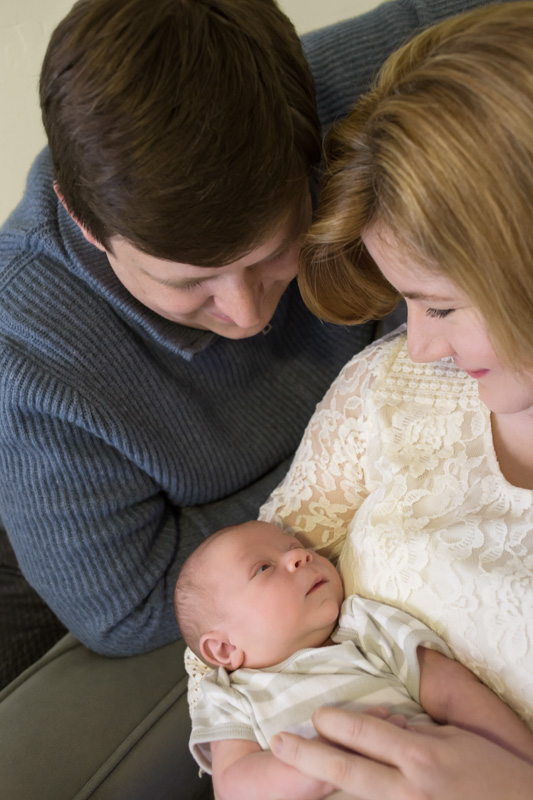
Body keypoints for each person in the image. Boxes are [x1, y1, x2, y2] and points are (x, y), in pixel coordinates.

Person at [0, 0, 496, 688]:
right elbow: (123, 609)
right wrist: (363, 444)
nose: (245, 312)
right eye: (189, 283)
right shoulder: (25, 350)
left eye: (274, 252)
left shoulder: (358, 92)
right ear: (87, 227)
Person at [249, 2, 533, 798]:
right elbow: (231, 604)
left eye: (439, 305)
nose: (419, 345)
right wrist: (240, 762)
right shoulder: (387, 388)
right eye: (405, 303)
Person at [176, 520, 533, 800]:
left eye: (296, 547)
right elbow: (232, 783)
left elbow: (454, 692)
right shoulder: (228, 695)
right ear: (224, 650)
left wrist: (519, 760)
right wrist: (313, 769)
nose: (300, 557)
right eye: (263, 568)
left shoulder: (364, 625)